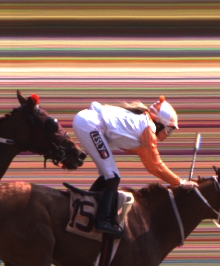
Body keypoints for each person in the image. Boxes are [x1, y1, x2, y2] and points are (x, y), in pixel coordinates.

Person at [64, 97, 187, 240]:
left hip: (87, 122)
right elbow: (155, 165)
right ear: (160, 124)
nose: (168, 135)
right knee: (113, 176)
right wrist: (179, 182)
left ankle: (89, 207)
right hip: (89, 125)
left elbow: (149, 163)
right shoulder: (149, 129)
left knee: (107, 175)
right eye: (169, 130)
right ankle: (102, 220)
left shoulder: (144, 124)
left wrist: (176, 182)